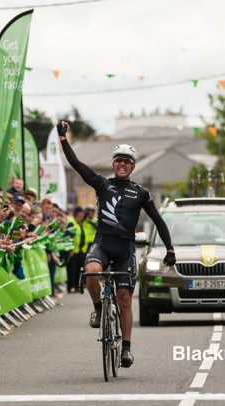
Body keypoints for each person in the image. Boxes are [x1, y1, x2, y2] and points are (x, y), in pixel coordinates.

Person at [57, 121, 175, 368]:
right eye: (118, 160)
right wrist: (63, 138)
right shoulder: (102, 184)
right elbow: (77, 165)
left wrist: (170, 249)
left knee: (124, 298)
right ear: (113, 164)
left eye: (127, 161)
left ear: (133, 166)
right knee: (90, 272)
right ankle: (99, 308)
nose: (122, 164)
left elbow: (158, 221)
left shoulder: (141, 193)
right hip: (102, 243)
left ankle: (127, 349)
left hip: (125, 249)